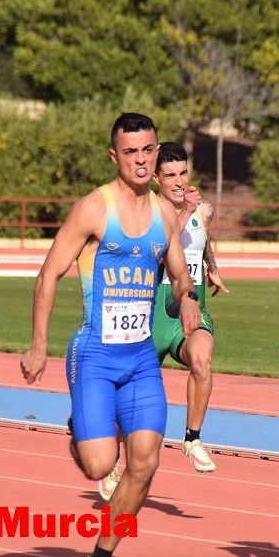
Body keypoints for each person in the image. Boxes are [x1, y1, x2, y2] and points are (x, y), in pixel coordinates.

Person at [21, 113, 200, 557]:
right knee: (100, 465)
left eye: (148, 151)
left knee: (145, 463)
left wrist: (187, 300)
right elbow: (47, 274)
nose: (141, 161)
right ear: (114, 156)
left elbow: (180, 274)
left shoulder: (165, 213)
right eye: (131, 152)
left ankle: (102, 556)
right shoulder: (93, 210)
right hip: (95, 353)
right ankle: (82, 427)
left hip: (141, 359)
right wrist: (39, 345)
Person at [96, 141, 228, 500]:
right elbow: (162, 246)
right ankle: (111, 461)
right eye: (170, 175)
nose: (179, 181)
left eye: (183, 173)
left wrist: (212, 268)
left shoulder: (204, 209)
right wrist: (183, 214)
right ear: (156, 178)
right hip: (148, 316)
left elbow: (201, 239)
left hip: (188, 312)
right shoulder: (146, 213)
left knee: (202, 358)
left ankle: (192, 439)